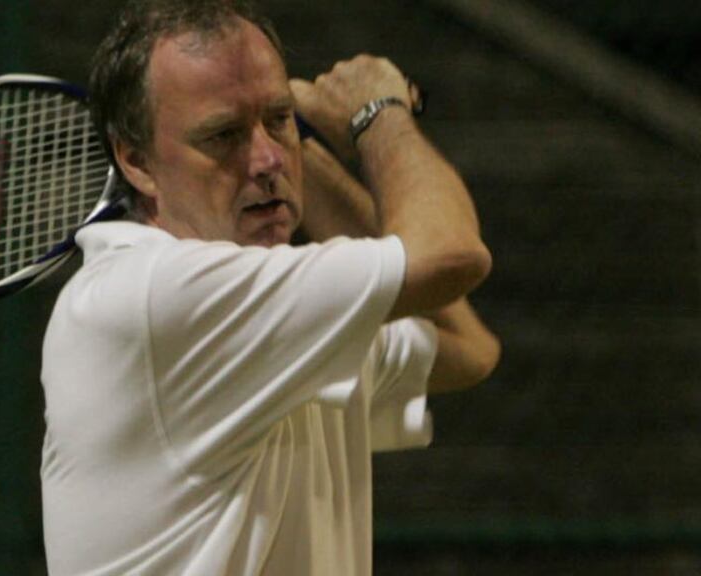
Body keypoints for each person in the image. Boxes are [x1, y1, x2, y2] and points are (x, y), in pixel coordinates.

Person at [39, 0, 500, 574]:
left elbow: (467, 347)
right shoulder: (155, 294)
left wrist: (298, 151)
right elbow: (452, 257)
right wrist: (379, 113)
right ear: (137, 162)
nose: (265, 159)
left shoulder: (277, 310)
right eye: (224, 134)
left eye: (278, 119)